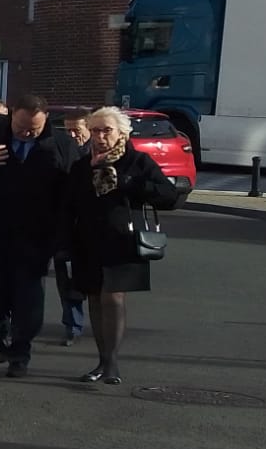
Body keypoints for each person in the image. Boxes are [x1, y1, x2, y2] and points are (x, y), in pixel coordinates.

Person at [0, 94, 75, 378]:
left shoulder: (60, 144)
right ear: (12, 115)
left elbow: (72, 191)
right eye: (21, 127)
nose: (26, 133)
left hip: (35, 235)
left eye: (34, 129)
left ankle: (20, 352)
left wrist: (64, 233)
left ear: (46, 120)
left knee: (28, 298)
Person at [64, 105, 181, 384]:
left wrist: (129, 183)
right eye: (95, 130)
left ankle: (112, 364)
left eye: (107, 130)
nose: (100, 136)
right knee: (94, 297)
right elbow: (68, 205)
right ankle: (102, 361)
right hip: (88, 242)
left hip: (123, 241)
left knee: (113, 297)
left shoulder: (137, 161)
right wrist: (63, 240)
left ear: (122, 133)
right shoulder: (82, 166)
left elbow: (169, 196)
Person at [53, 110, 92, 344]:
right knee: (65, 277)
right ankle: (73, 326)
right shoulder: (60, 150)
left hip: (92, 226)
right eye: (67, 130)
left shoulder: (99, 152)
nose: (72, 135)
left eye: (77, 130)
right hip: (64, 225)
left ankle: (103, 324)